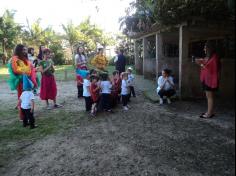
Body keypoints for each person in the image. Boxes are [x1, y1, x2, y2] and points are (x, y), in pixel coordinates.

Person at [8, 44, 35, 120]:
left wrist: (31, 69)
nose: (25, 51)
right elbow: (16, 70)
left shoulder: (24, 58)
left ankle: (28, 114)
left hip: (26, 80)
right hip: (21, 81)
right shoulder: (15, 58)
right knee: (22, 98)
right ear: (18, 50)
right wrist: (27, 70)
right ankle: (23, 116)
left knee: (28, 98)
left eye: (25, 50)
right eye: (23, 50)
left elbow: (29, 68)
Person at [195, 41, 221, 118]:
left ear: (209, 48)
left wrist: (201, 64)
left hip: (210, 80)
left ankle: (209, 114)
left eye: (205, 47)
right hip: (207, 79)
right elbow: (207, 63)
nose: (204, 49)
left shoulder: (214, 57)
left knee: (209, 97)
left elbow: (211, 69)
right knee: (209, 97)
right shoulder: (211, 56)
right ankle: (209, 112)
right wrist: (201, 61)